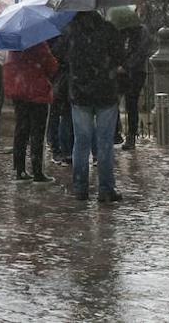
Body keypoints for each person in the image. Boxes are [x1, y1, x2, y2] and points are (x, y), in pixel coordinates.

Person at [66, 10, 125, 203]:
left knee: (81, 142)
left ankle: (80, 188)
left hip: (80, 94)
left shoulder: (71, 31)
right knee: (105, 143)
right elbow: (120, 57)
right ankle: (106, 189)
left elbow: (62, 58)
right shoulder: (108, 30)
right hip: (105, 93)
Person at [4, 40, 57, 182]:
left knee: (21, 130)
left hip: (20, 91)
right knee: (37, 133)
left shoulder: (13, 45)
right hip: (37, 92)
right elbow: (51, 66)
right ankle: (37, 171)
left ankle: (20, 170)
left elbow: (10, 66)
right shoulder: (39, 43)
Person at [116, 16, 151, 150]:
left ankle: (131, 136)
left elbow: (141, 52)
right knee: (114, 103)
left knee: (131, 103)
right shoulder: (120, 32)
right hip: (120, 73)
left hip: (135, 73)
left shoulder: (141, 31)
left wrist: (126, 66)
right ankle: (116, 132)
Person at [46, 35, 73, 166]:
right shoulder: (67, 32)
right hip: (64, 77)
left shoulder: (55, 32)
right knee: (63, 113)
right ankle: (62, 149)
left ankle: (59, 148)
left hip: (59, 76)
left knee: (59, 113)